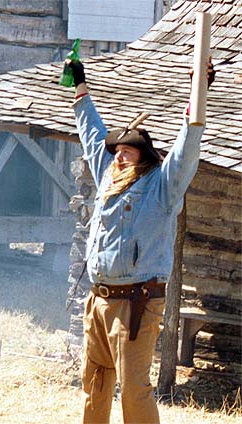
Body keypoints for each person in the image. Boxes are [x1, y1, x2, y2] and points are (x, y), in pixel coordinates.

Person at [67, 58, 215, 424]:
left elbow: (186, 149)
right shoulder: (107, 176)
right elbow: (92, 133)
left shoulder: (162, 186)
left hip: (137, 302)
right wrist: (80, 86)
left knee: (133, 388)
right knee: (95, 383)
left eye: (127, 150)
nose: (118, 155)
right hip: (98, 300)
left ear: (144, 158)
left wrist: (198, 93)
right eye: (117, 150)